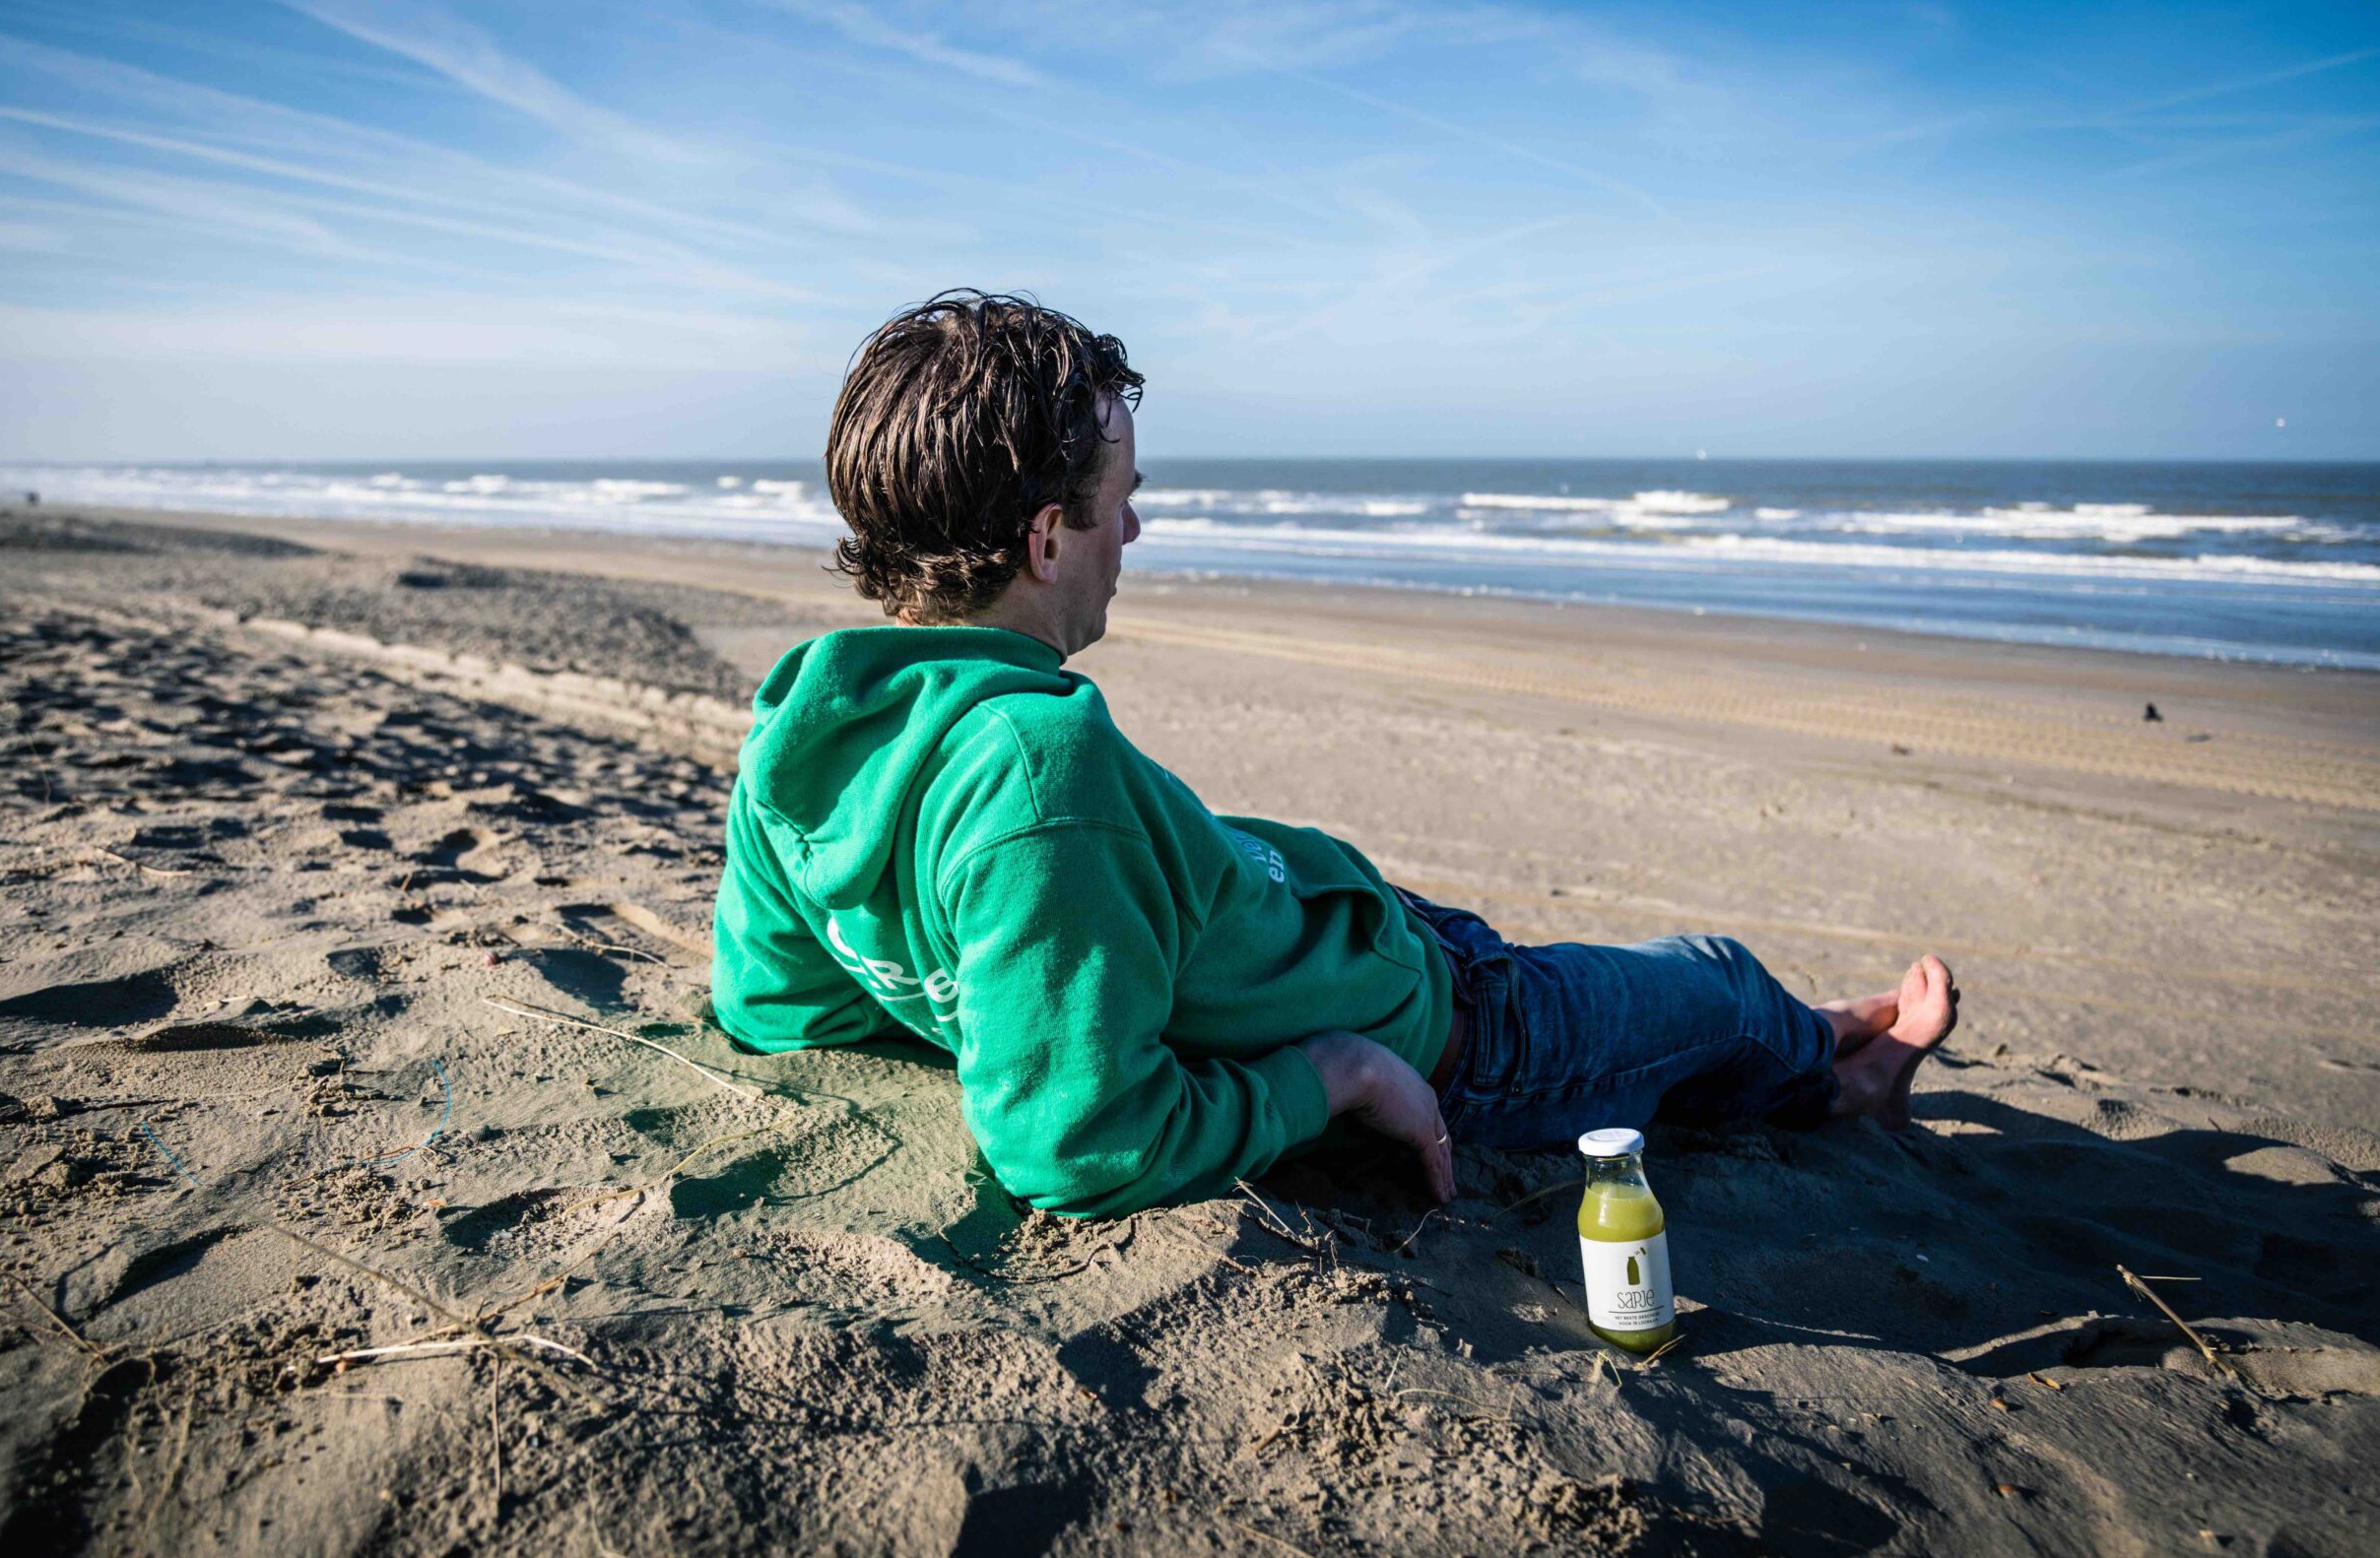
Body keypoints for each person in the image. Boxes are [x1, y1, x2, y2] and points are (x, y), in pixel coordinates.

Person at [710, 290, 1958, 1219]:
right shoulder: (1039, 771)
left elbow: (775, 1007)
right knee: (1718, 980)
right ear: (1047, 539)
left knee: (1685, 999)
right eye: (1121, 494)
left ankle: (1808, 1034)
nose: (1134, 526)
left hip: (1353, 931)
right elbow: (1075, 1143)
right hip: (1460, 1040)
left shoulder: (807, 720)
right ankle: (1843, 1081)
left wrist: (1002, 1010)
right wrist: (1333, 1073)